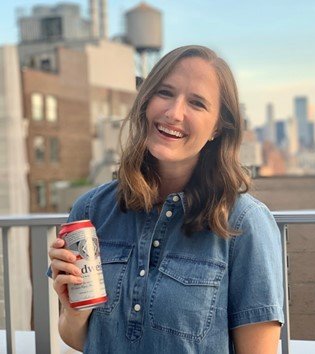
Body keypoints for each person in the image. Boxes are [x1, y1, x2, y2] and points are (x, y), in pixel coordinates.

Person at [49, 45, 284, 354]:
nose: (174, 113)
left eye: (197, 103)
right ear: (146, 101)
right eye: (165, 93)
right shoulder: (91, 210)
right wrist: (75, 311)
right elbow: (78, 338)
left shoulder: (243, 223)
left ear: (217, 127)